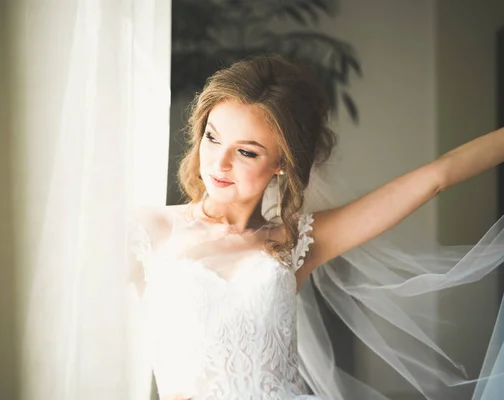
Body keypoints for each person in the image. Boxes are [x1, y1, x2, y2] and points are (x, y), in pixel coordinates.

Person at [127, 54, 504, 400]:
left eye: (246, 151)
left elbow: (436, 177)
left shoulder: (296, 241)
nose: (219, 162)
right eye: (212, 137)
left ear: (280, 162)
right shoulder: (148, 230)